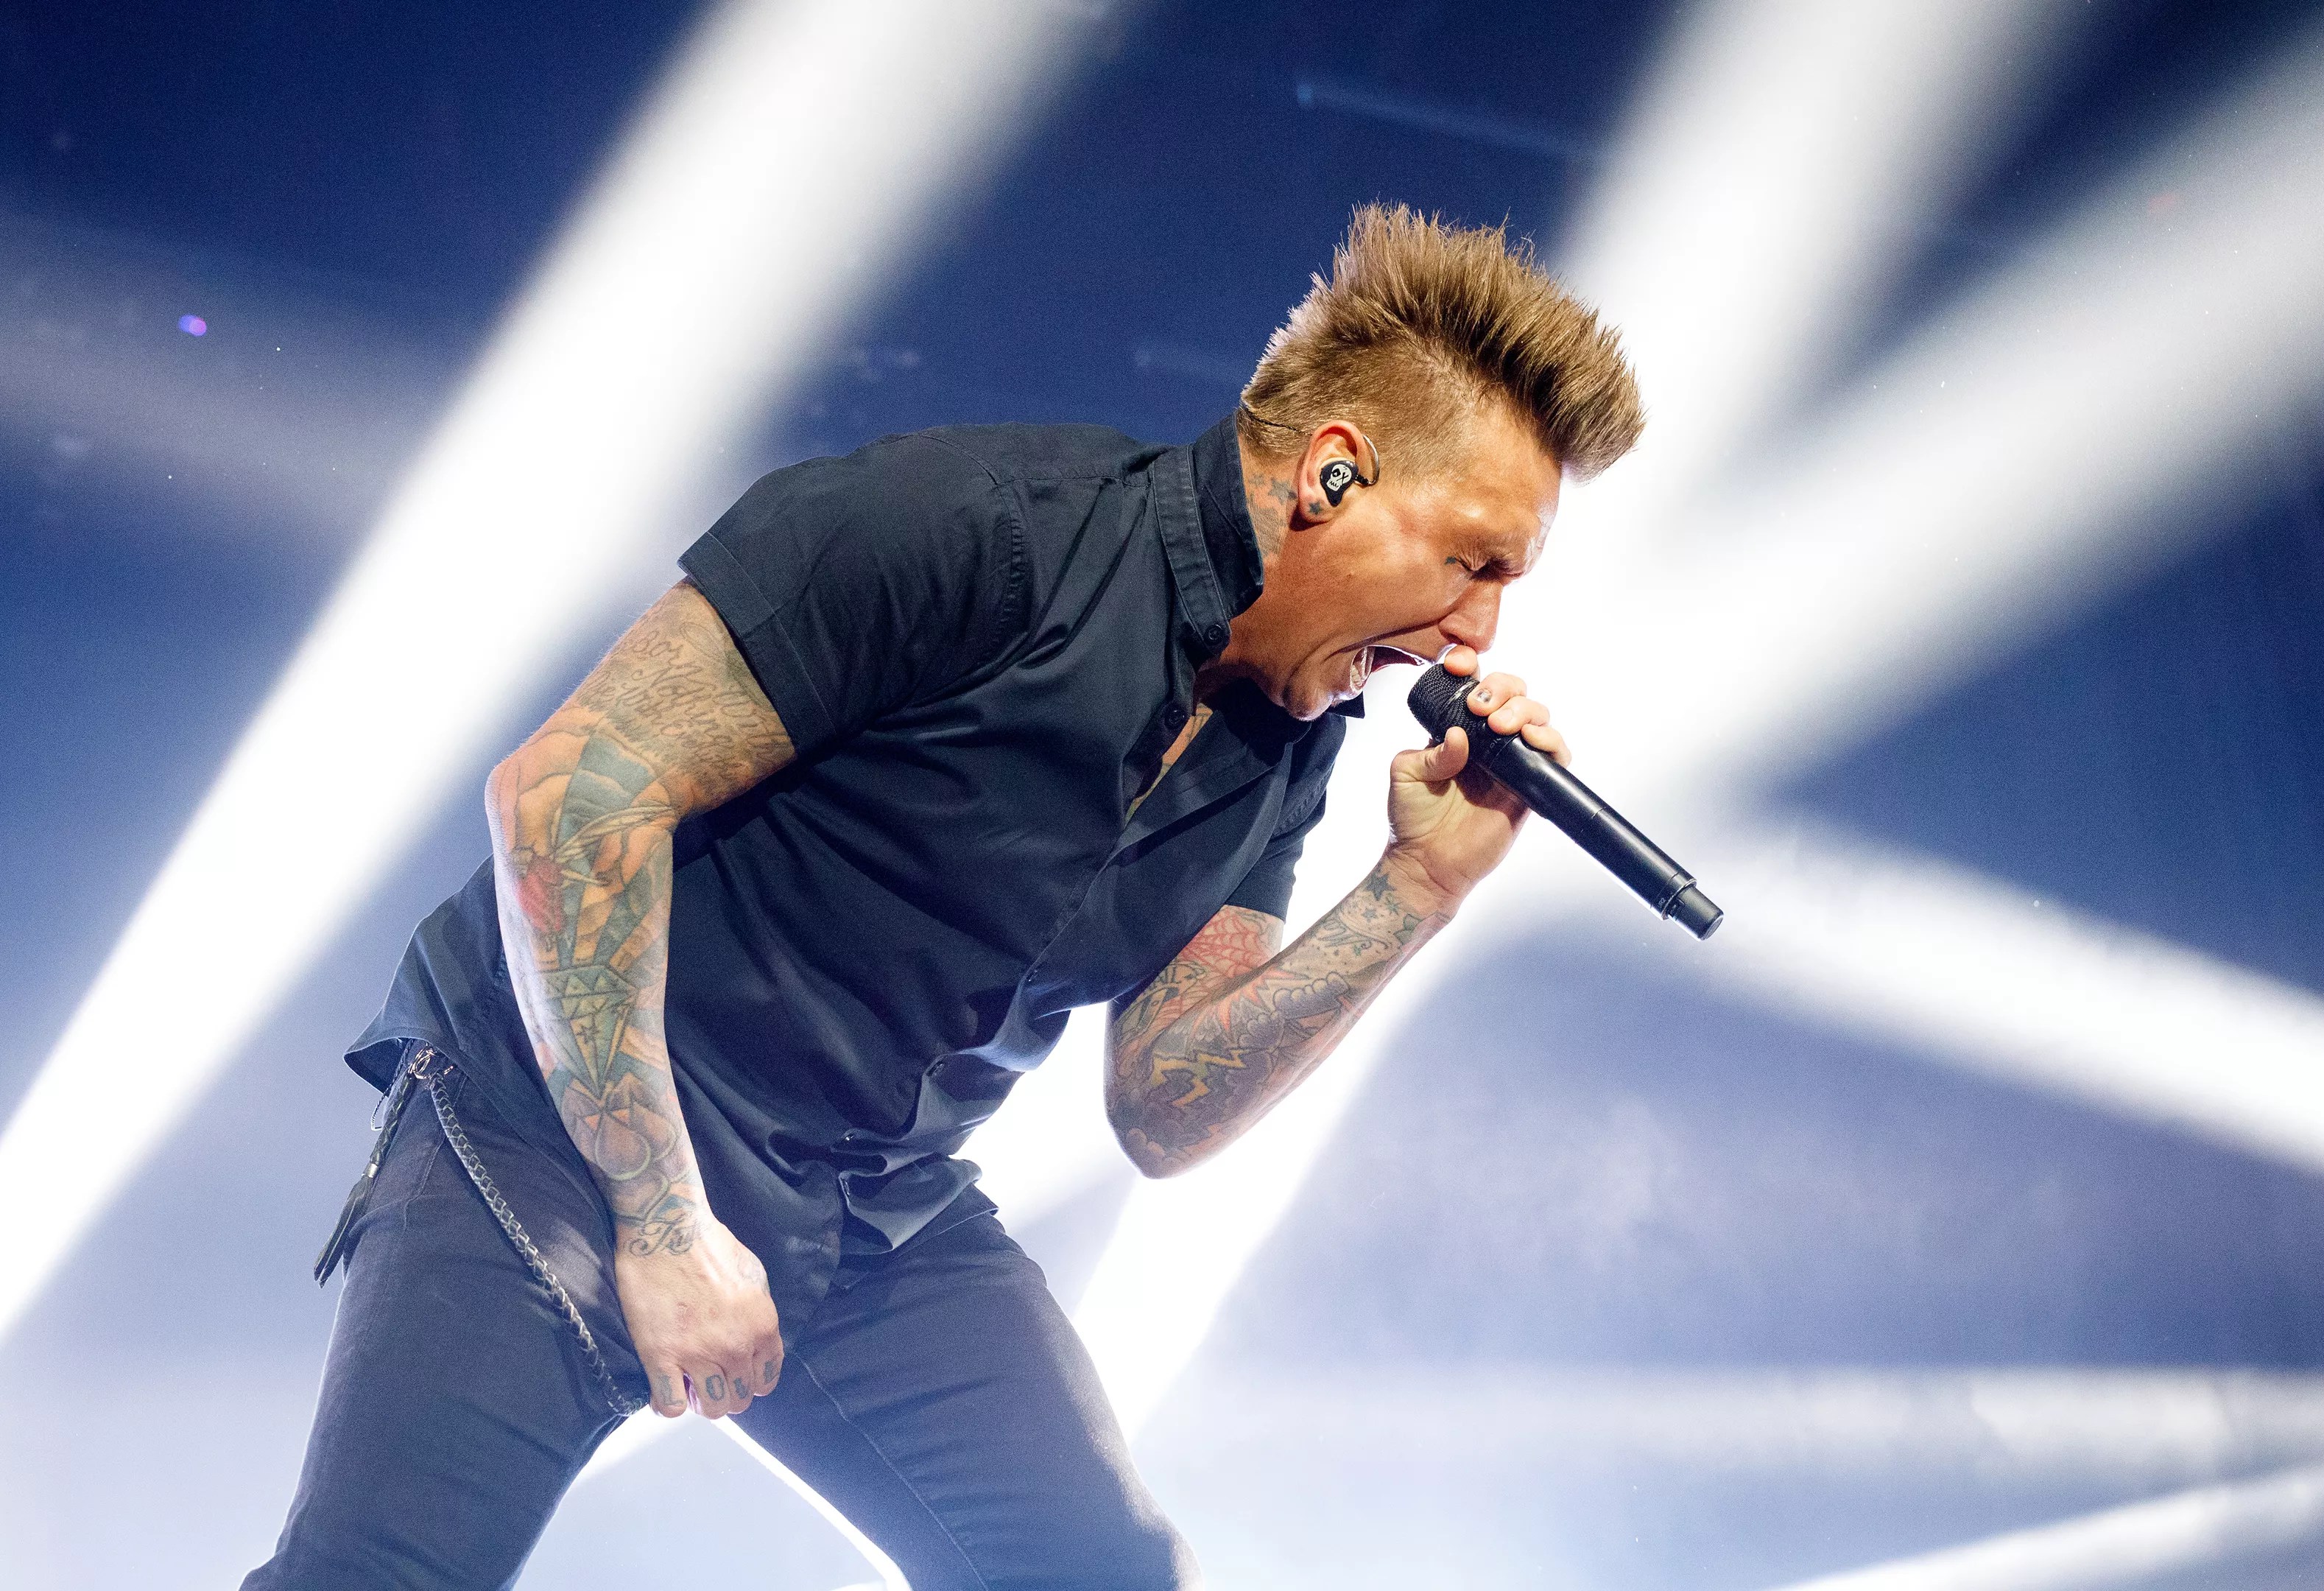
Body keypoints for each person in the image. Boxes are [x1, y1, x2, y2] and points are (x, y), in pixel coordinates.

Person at [245, 203, 1643, 1590]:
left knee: (1102, 1575)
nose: (1480, 632)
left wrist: (1415, 889)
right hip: (555, 1121)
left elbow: (1162, 1107)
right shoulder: (983, 530)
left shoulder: (1291, 737)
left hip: (862, 1211)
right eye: (1473, 562)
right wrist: (663, 1224)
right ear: (1333, 472)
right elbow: (569, 800)